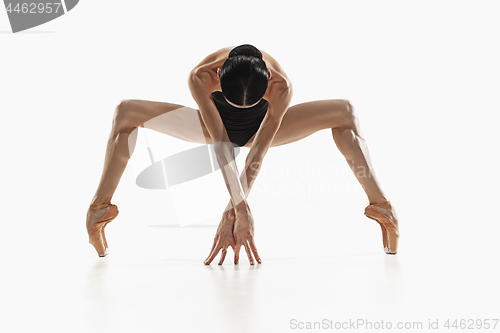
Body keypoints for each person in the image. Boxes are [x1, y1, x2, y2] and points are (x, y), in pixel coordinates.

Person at [86, 44, 399, 264]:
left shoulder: (282, 86)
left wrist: (235, 210)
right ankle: (99, 208)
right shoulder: (200, 76)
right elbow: (220, 143)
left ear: (268, 83)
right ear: (219, 73)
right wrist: (238, 204)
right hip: (215, 129)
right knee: (125, 112)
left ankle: (382, 207)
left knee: (345, 113)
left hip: (260, 131)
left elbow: (258, 153)